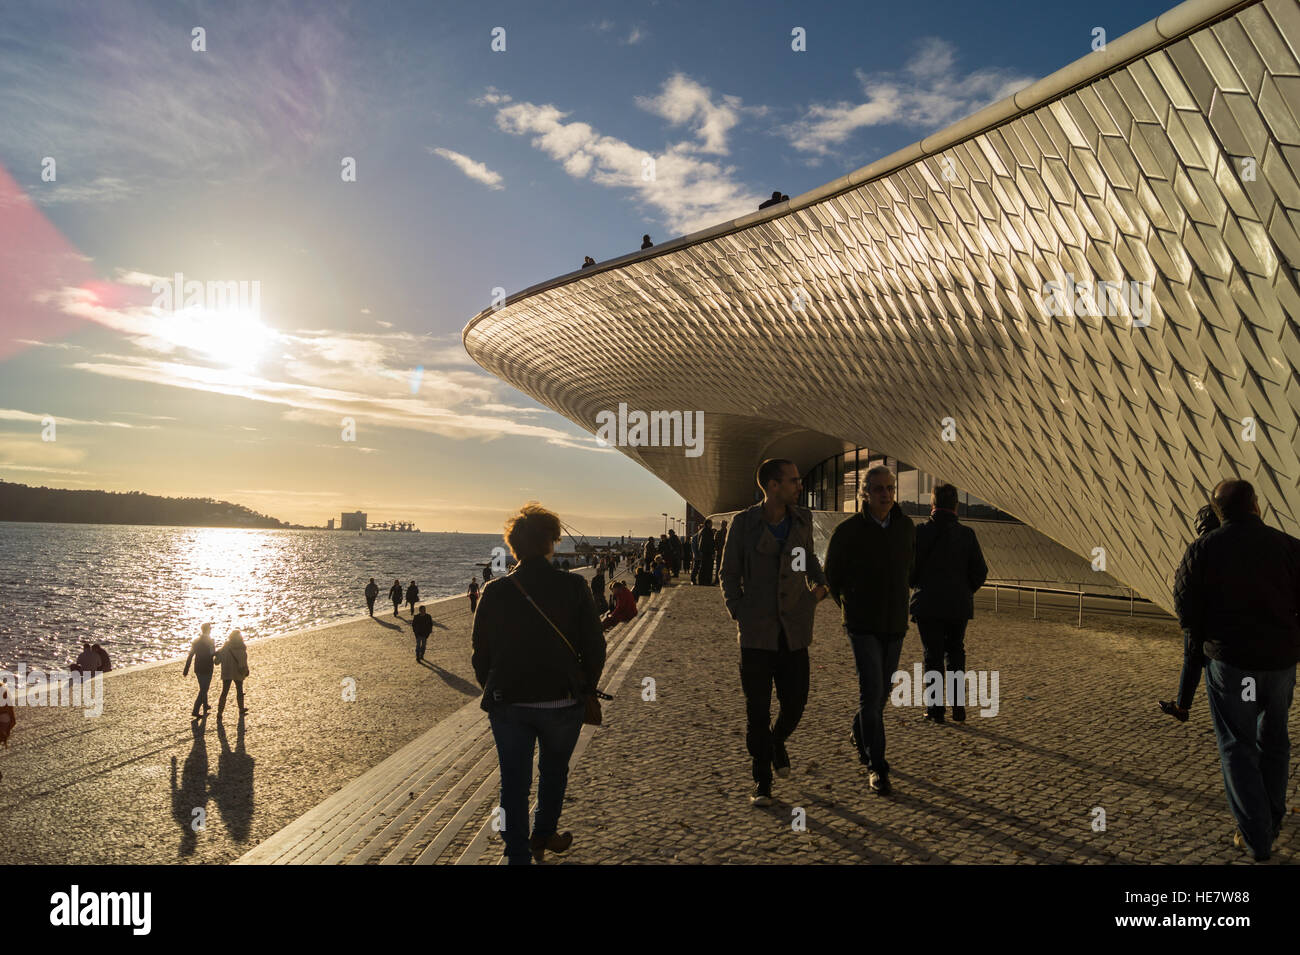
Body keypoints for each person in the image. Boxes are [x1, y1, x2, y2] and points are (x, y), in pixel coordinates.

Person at [471, 503, 606, 865]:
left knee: (513, 782)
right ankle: (543, 832)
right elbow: (595, 647)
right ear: (551, 544)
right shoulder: (575, 586)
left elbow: (480, 654)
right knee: (554, 772)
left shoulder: (494, 592)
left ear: (513, 546)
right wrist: (585, 686)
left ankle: (517, 854)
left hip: (509, 703)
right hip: (563, 701)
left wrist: (496, 690)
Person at [1173, 478, 1300, 862]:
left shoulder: (1203, 549)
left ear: (1217, 512)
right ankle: (1272, 819)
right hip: (1279, 666)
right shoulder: (1289, 547)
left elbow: (1185, 611)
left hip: (1235, 669)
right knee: (1275, 741)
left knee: (1238, 748)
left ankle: (1258, 837)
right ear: (1256, 505)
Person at [720, 458, 829, 807]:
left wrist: (818, 587)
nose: (800, 486)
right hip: (757, 633)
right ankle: (762, 780)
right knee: (757, 711)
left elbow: (805, 557)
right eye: (793, 480)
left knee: (795, 703)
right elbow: (728, 573)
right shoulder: (744, 524)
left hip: (794, 629)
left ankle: (777, 741)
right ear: (772, 485)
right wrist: (739, 611)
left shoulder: (802, 519)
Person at [824, 464, 915, 795]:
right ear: (864, 493)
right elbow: (832, 576)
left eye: (890, 488)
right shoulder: (848, 532)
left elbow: (911, 570)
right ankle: (878, 766)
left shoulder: (905, 528)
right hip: (862, 626)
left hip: (894, 625)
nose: (886, 494)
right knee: (870, 691)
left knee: (881, 694)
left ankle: (859, 731)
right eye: (879, 489)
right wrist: (850, 607)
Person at [909, 483, 988, 723]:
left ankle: (935, 710)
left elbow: (908, 569)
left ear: (932, 504)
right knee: (955, 653)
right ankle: (957, 706)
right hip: (958, 605)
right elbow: (980, 571)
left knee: (932, 655)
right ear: (956, 505)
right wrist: (965, 590)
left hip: (927, 604)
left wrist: (917, 586)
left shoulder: (919, 533)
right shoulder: (967, 534)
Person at [1161, 505, 1221, 722]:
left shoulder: (1198, 548)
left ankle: (1182, 706)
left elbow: (1182, 589)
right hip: (1227, 623)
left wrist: (1187, 623)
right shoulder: (1234, 548)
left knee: (1193, 661)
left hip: (1199, 620)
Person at [214, 629, 250, 721]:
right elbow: (243, 661)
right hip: (237, 672)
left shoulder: (226, 647)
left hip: (227, 672)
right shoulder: (241, 648)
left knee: (224, 692)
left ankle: (219, 712)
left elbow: (217, 662)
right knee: (239, 690)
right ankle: (241, 708)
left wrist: (216, 655)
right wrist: (246, 670)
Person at [183, 623, 217, 720]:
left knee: (203, 686)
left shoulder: (196, 641)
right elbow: (212, 654)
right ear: (208, 630)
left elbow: (190, 655)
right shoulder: (210, 641)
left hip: (198, 667)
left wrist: (186, 669)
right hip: (207, 667)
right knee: (204, 688)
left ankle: (205, 705)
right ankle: (195, 710)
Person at [693, 518, 714, 586]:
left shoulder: (703, 531)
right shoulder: (707, 531)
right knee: (707, 567)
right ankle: (706, 581)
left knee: (704, 567)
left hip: (704, 551)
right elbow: (709, 543)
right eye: (711, 523)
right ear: (708, 524)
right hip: (707, 552)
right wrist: (711, 551)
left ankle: (702, 581)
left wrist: (701, 550)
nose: (711, 525)